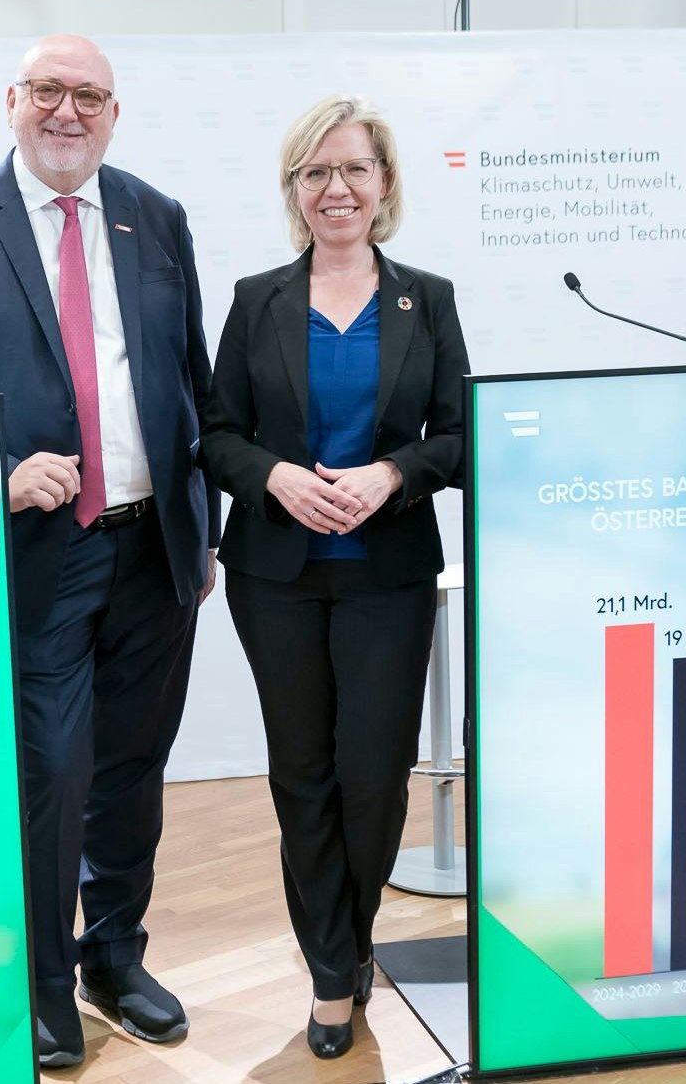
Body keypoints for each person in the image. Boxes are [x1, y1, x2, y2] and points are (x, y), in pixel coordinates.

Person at [0, 34, 217, 1070]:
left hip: (153, 548)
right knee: (52, 774)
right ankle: (40, 983)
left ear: (114, 114)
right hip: (40, 556)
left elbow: (192, 380)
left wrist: (202, 526)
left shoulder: (157, 217)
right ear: (12, 101)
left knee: (133, 768)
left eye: (89, 96)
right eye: (48, 92)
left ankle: (114, 955)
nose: (67, 111)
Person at [198, 94, 468, 1060]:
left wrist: (391, 473)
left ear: (384, 183)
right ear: (294, 190)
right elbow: (216, 434)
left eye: (353, 168)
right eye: (315, 172)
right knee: (302, 775)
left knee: (374, 780)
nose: (336, 188)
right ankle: (331, 971)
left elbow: (459, 435)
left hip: (389, 577)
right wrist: (273, 476)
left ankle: (350, 940)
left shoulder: (427, 298)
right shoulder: (256, 299)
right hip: (276, 576)